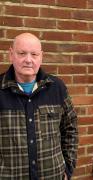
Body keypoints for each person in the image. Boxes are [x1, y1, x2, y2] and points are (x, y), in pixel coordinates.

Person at [0, 33, 78, 180]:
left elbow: (70, 128)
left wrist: (68, 167)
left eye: (34, 54)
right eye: (22, 53)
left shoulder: (57, 88)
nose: (28, 60)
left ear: (41, 56)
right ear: (11, 54)